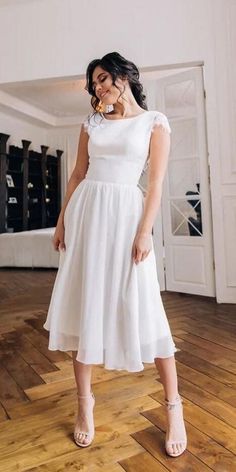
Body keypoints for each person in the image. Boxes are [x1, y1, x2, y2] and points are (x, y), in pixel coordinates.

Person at [43, 51, 187, 457]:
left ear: (124, 76)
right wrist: (61, 221)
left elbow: (156, 184)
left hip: (127, 217)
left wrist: (145, 232)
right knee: (83, 305)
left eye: (104, 78)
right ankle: (84, 405)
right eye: (94, 83)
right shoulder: (91, 123)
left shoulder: (154, 122)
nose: (99, 87)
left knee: (145, 306)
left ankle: (174, 407)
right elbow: (77, 174)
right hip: (87, 215)